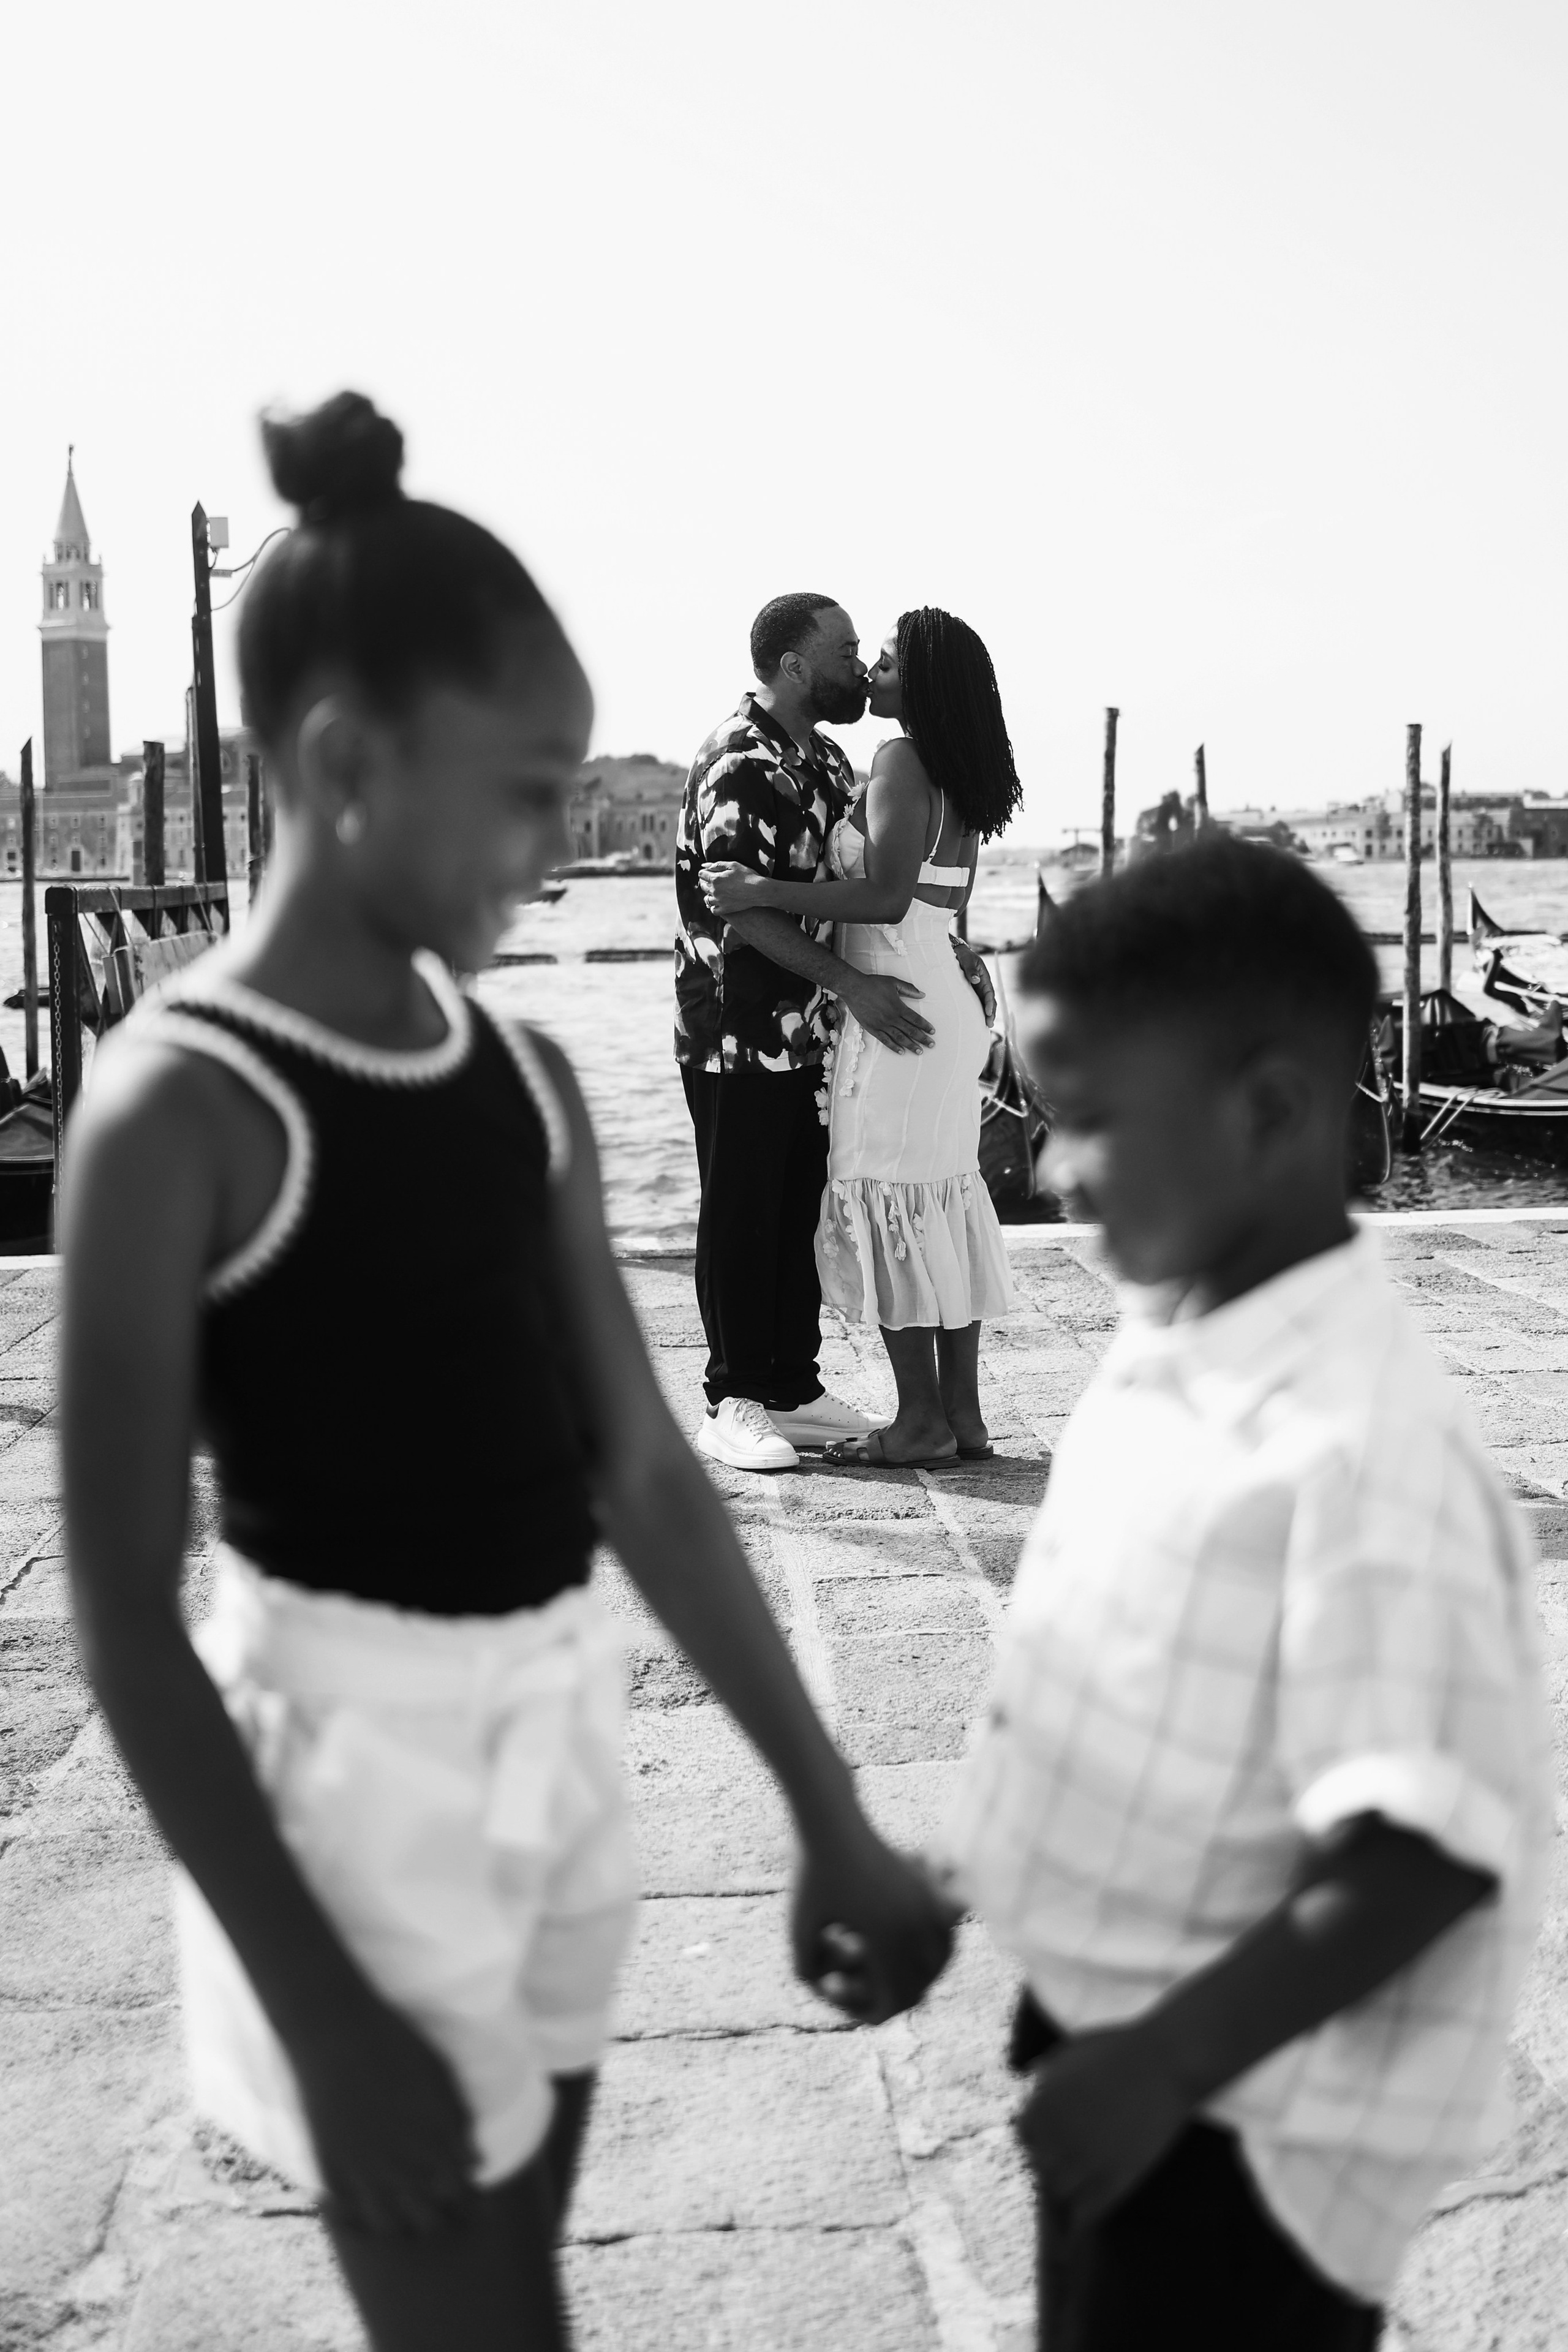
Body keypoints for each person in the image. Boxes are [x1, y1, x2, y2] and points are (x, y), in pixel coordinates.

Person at [59, 396, 954, 2352]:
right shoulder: (178, 1112)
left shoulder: (522, 1080)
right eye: (528, 794)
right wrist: (317, 2005)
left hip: (551, 1759)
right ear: (346, 764)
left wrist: (826, 1808)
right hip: (345, 1818)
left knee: (515, 2268)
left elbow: (643, 1471)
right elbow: (125, 1621)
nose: (561, 849)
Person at [935, 837, 1553, 2350]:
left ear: (1270, 1112)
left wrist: (1161, 2065)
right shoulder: (1174, 1328)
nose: (1048, 1168)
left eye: (1085, 1121)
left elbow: (1421, 1856)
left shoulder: (1360, 1450)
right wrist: (965, 1875)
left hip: (1248, 2119)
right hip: (1125, 2040)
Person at [702, 608, 1020, 1467]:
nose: (870, 671)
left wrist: (760, 890)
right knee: (943, 1200)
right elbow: (941, 904)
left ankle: (919, 1421)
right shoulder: (961, 767)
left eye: (883, 660)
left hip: (895, 1009)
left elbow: (883, 897)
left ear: (923, 681)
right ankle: (962, 1417)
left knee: (889, 1201)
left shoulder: (900, 759)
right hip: (939, 998)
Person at [674, 594, 933, 1472]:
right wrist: (854, 985)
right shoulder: (740, 761)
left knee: (797, 1210)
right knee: (742, 1211)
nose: (860, 665)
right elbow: (740, 912)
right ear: (794, 666)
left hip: (812, 1032)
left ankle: (793, 1387)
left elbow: (845, 886)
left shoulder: (823, 757)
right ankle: (733, 1400)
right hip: (738, 1031)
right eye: (846, 649)